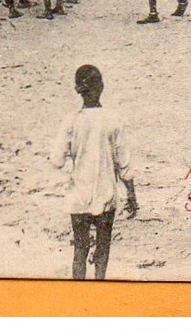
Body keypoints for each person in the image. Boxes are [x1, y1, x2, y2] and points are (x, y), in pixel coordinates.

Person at [56, 64, 139, 280]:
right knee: (102, 251)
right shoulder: (113, 119)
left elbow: (56, 160)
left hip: (78, 196)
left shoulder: (71, 121)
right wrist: (131, 195)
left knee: (79, 251)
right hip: (106, 195)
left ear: (78, 90)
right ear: (101, 86)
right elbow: (125, 164)